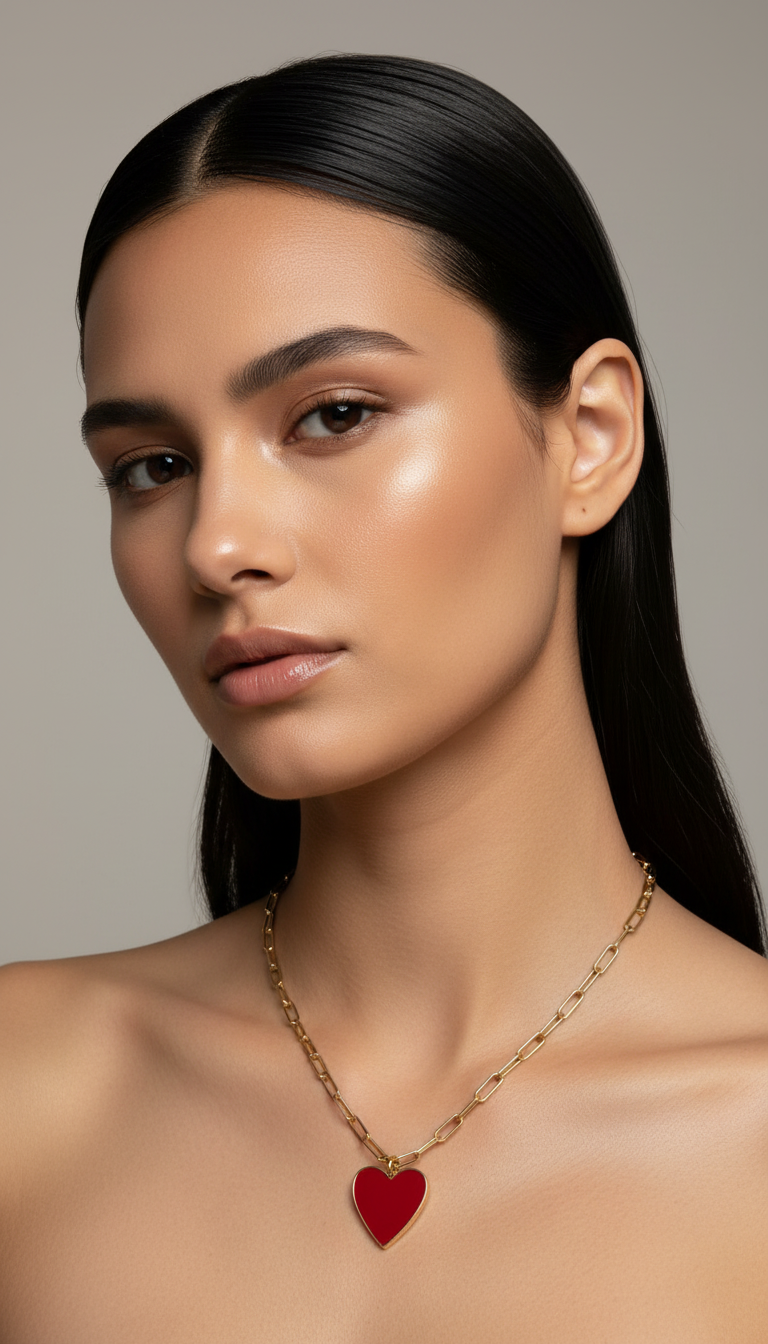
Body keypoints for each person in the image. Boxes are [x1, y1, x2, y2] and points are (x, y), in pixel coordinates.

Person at [1, 52, 766, 1341]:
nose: (214, 545)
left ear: (588, 439)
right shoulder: (27, 1090)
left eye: (334, 413)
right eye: (152, 466)